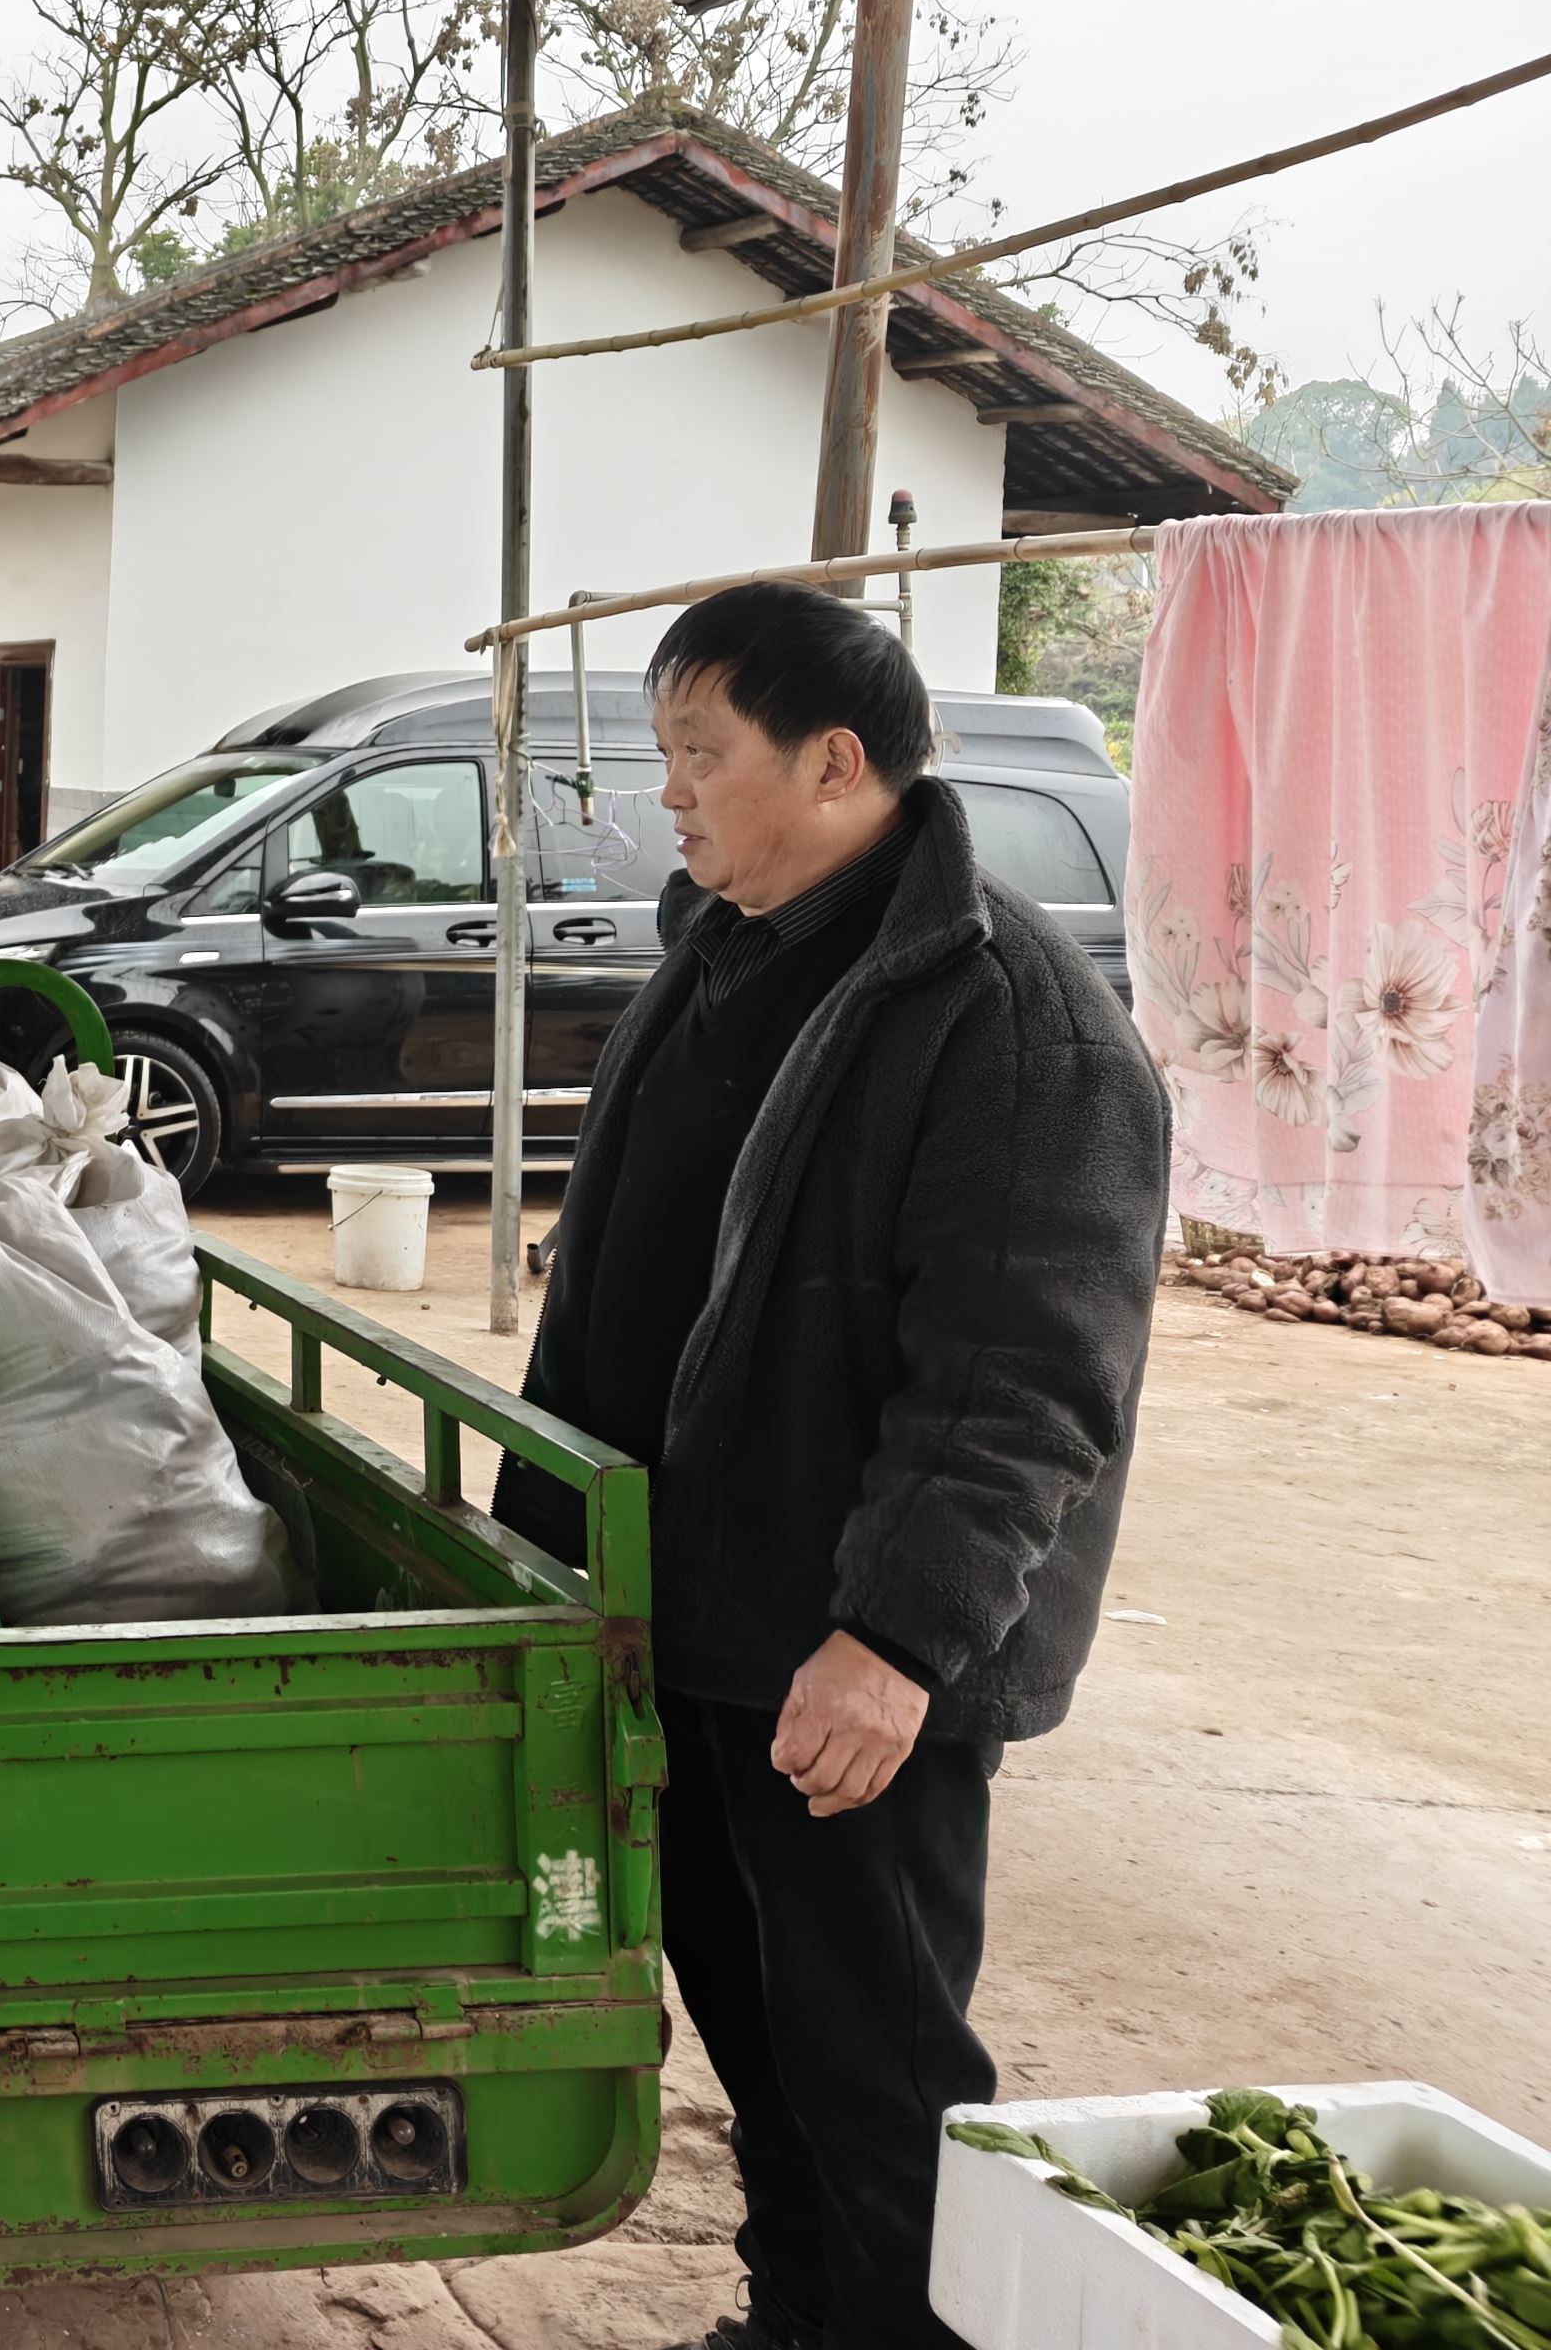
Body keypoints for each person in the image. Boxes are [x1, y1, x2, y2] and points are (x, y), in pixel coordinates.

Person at [488, 582, 1161, 2350]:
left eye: (700, 756)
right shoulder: (728, 948)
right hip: (700, 1616)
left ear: (837, 759)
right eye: (664, 759)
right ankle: (800, 2321)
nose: (672, 797)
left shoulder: (1011, 1020)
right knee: (754, 2029)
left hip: (841, 1653)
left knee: (875, 2061)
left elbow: (1022, 1380)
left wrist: (900, 1640)